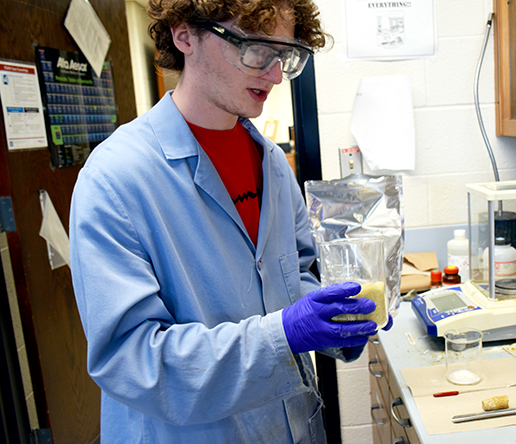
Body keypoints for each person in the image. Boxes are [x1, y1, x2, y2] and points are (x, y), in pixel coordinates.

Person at [69, 0, 391, 442]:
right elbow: (133, 361)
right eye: (257, 49)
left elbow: (294, 275)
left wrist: (338, 321)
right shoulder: (115, 180)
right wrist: (285, 332)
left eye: (285, 56)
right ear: (185, 36)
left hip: (292, 426)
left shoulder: (273, 163)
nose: (276, 75)